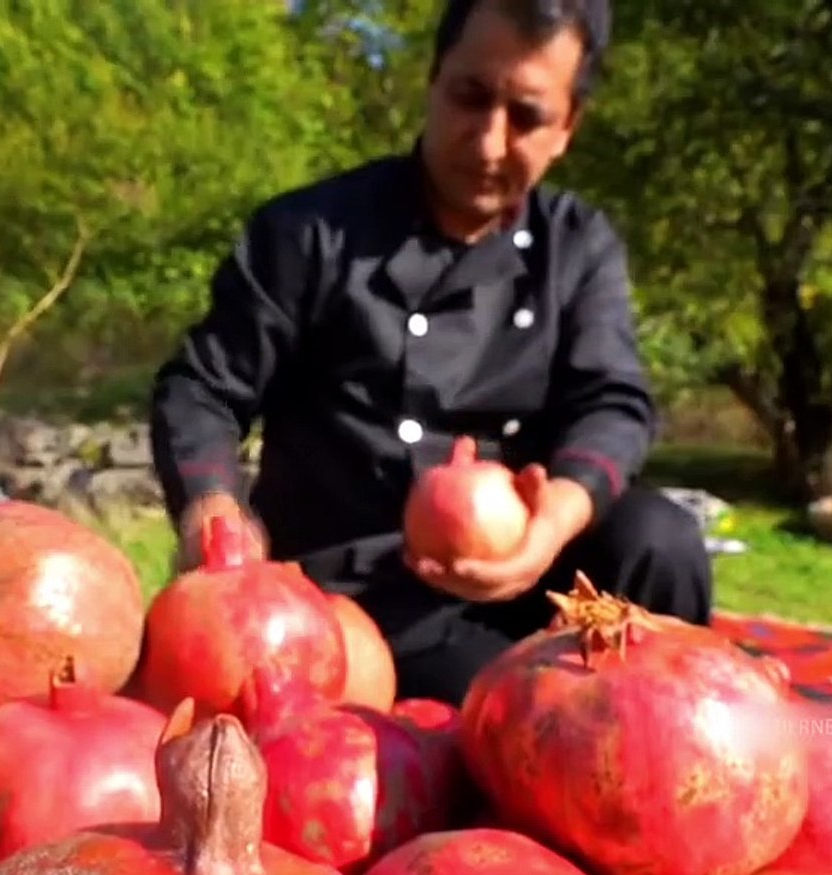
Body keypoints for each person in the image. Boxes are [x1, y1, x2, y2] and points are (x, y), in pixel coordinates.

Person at [148, 0, 713, 706]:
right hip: (363, 588)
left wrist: (553, 522)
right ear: (433, 79)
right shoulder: (309, 233)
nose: (486, 143)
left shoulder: (577, 245)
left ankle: (684, 744)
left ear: (568, 127)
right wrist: (216, 518)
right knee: (515, 715)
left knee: (660, 539)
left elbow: (614, 404)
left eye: (527, 116)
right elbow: (202, 390)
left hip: (539, 570)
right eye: (469, 98)